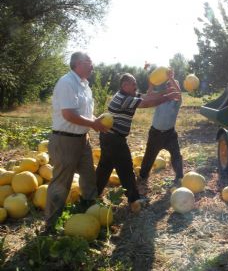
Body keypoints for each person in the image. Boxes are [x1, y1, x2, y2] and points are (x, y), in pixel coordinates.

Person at [95, 73, 180, 212]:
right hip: (115, 139)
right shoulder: (124, 98)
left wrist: (166, 92)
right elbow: (146, 103)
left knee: (105, 167)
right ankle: (134, 199)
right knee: (126, 169)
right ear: (125, 85)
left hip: (108, 138)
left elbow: (146, 96)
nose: (136, 86)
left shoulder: (126, 95)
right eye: (133, 84)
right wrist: (167, 98)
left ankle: (92, 195)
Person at [45, 52, 108, 231]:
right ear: (78, 64)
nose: (92, 66)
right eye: (90, 62)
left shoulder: (85, 86)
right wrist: (93, 124)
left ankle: (90, 213)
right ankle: (50, 225)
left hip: (82, 140)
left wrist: (97, 121)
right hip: (65, 140)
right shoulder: (67, 83)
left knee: (89, 177)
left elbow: (85, 114)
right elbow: (68, 114)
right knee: (61, 183)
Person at [138, 69, 183, 185]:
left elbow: (179, 93)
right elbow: (148, 96)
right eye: (170, 86)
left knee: (176, 155)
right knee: (149, 156)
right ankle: (143, 176)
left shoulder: (177, 102)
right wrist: (151, 85)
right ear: (167, 89)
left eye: (174, 86)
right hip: (155, 134)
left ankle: (179, 176)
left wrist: (170, 78)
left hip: (170, 134)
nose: (172, 88)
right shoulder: (161, 99)